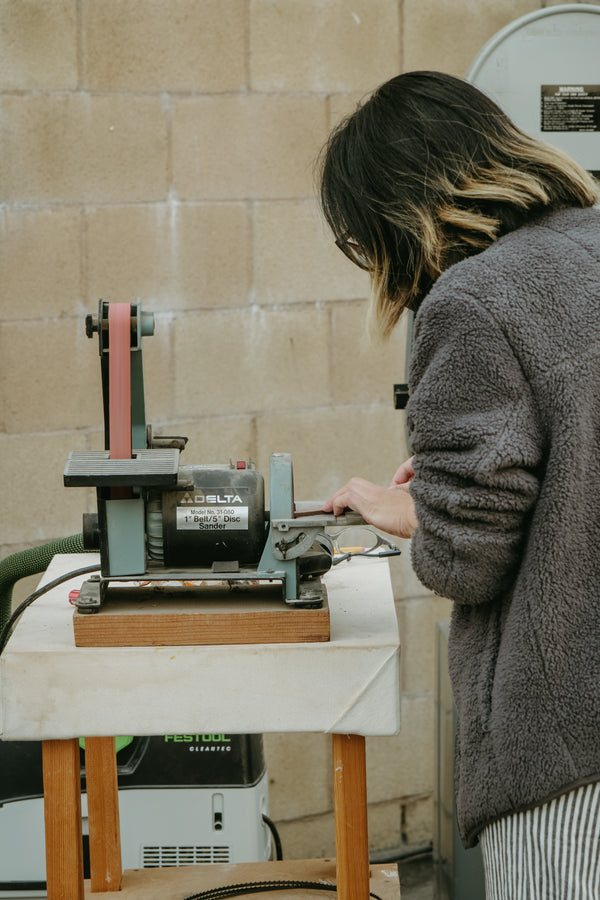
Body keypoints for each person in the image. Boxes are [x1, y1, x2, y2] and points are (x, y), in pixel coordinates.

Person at [319, 71, 600, 899]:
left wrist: (420, 514)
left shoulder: (471, 300)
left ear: (397, 215)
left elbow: (466, 563)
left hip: (568, 754)